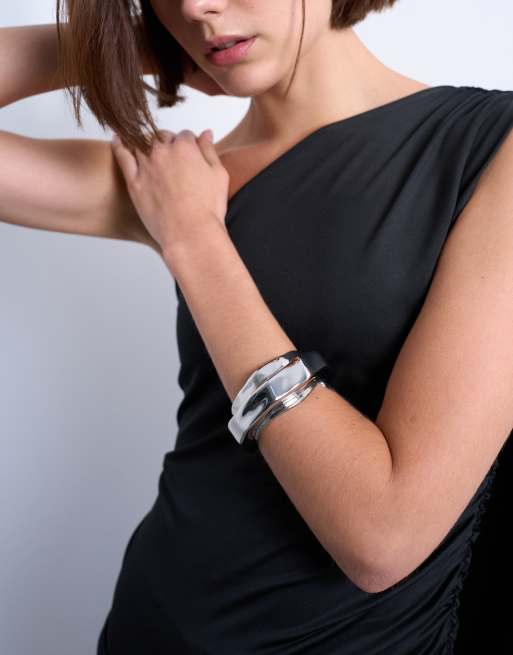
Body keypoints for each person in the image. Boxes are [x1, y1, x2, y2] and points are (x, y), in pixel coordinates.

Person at [1, 1, 512, 653]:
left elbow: (382, 538)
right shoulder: (178, 183)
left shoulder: (490, 149)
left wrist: (196, 242)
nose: (195, 6)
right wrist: (127, 47)